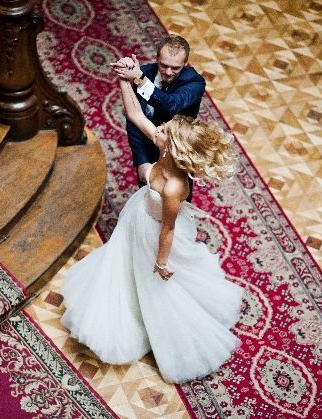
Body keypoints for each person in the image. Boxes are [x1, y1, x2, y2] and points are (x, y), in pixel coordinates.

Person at [59, 56, 243, 384]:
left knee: (156, 285)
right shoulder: (164, 151)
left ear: (169, 147)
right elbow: (133, 113)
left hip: (158, 232)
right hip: (138, 213)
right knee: (124, 264)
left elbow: (169, 228)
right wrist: (123, 79)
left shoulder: (175, 187)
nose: (156, 130)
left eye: (161, 131)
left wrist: (160, 263)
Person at [123, 35, 206, 201]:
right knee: (148, 200)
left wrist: (139, 79)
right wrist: (141, 160)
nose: (168, 73)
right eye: (164, 65)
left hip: (177, 156)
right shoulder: (146, 73)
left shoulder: (195, 83)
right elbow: (135, 119)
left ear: (185, 63)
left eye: (175, 68)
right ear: (157, 58)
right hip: (148, 151)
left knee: (175, 203)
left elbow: (170, 104)